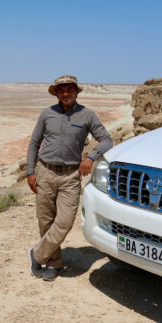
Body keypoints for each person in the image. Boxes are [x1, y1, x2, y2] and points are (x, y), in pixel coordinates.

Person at [26, 75, 113, 281]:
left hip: (70, 176)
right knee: (45, 220)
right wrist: (30, 171)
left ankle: (36, 254)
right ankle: (54, 264)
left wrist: (90, 157)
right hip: (45, 172)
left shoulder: (87, 115)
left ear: (76, 91)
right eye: (62, 90)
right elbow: (34, 143)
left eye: (70, 89)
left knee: (64, 221)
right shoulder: (47, 114)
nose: (66, 93)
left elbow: (107, 140)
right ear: (56, 93)